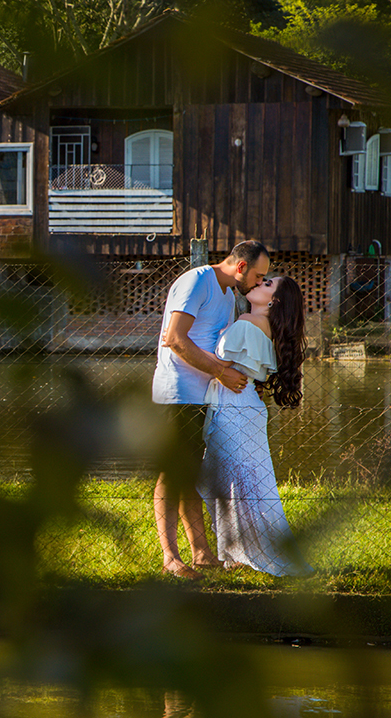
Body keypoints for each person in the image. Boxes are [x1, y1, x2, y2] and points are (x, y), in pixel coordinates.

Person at [152, 240, 271, 580]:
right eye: (259, 276)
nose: (260, 283)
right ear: (241, 267)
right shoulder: (198, 281)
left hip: (202, 395)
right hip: (177, 394)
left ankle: (202, 553)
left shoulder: (226, 296)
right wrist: (221, 371)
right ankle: (170, 557)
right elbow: (174, 339)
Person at [198, 275, 313, 576]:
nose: (259, 283)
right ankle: (239, 551)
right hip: (245, 404)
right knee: (249, 481)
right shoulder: (266, 329)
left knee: (235, 482)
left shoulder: (248, 321)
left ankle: (250, 551)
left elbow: (217, 358)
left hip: (235, 407)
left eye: (267, 284)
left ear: (273, 301)